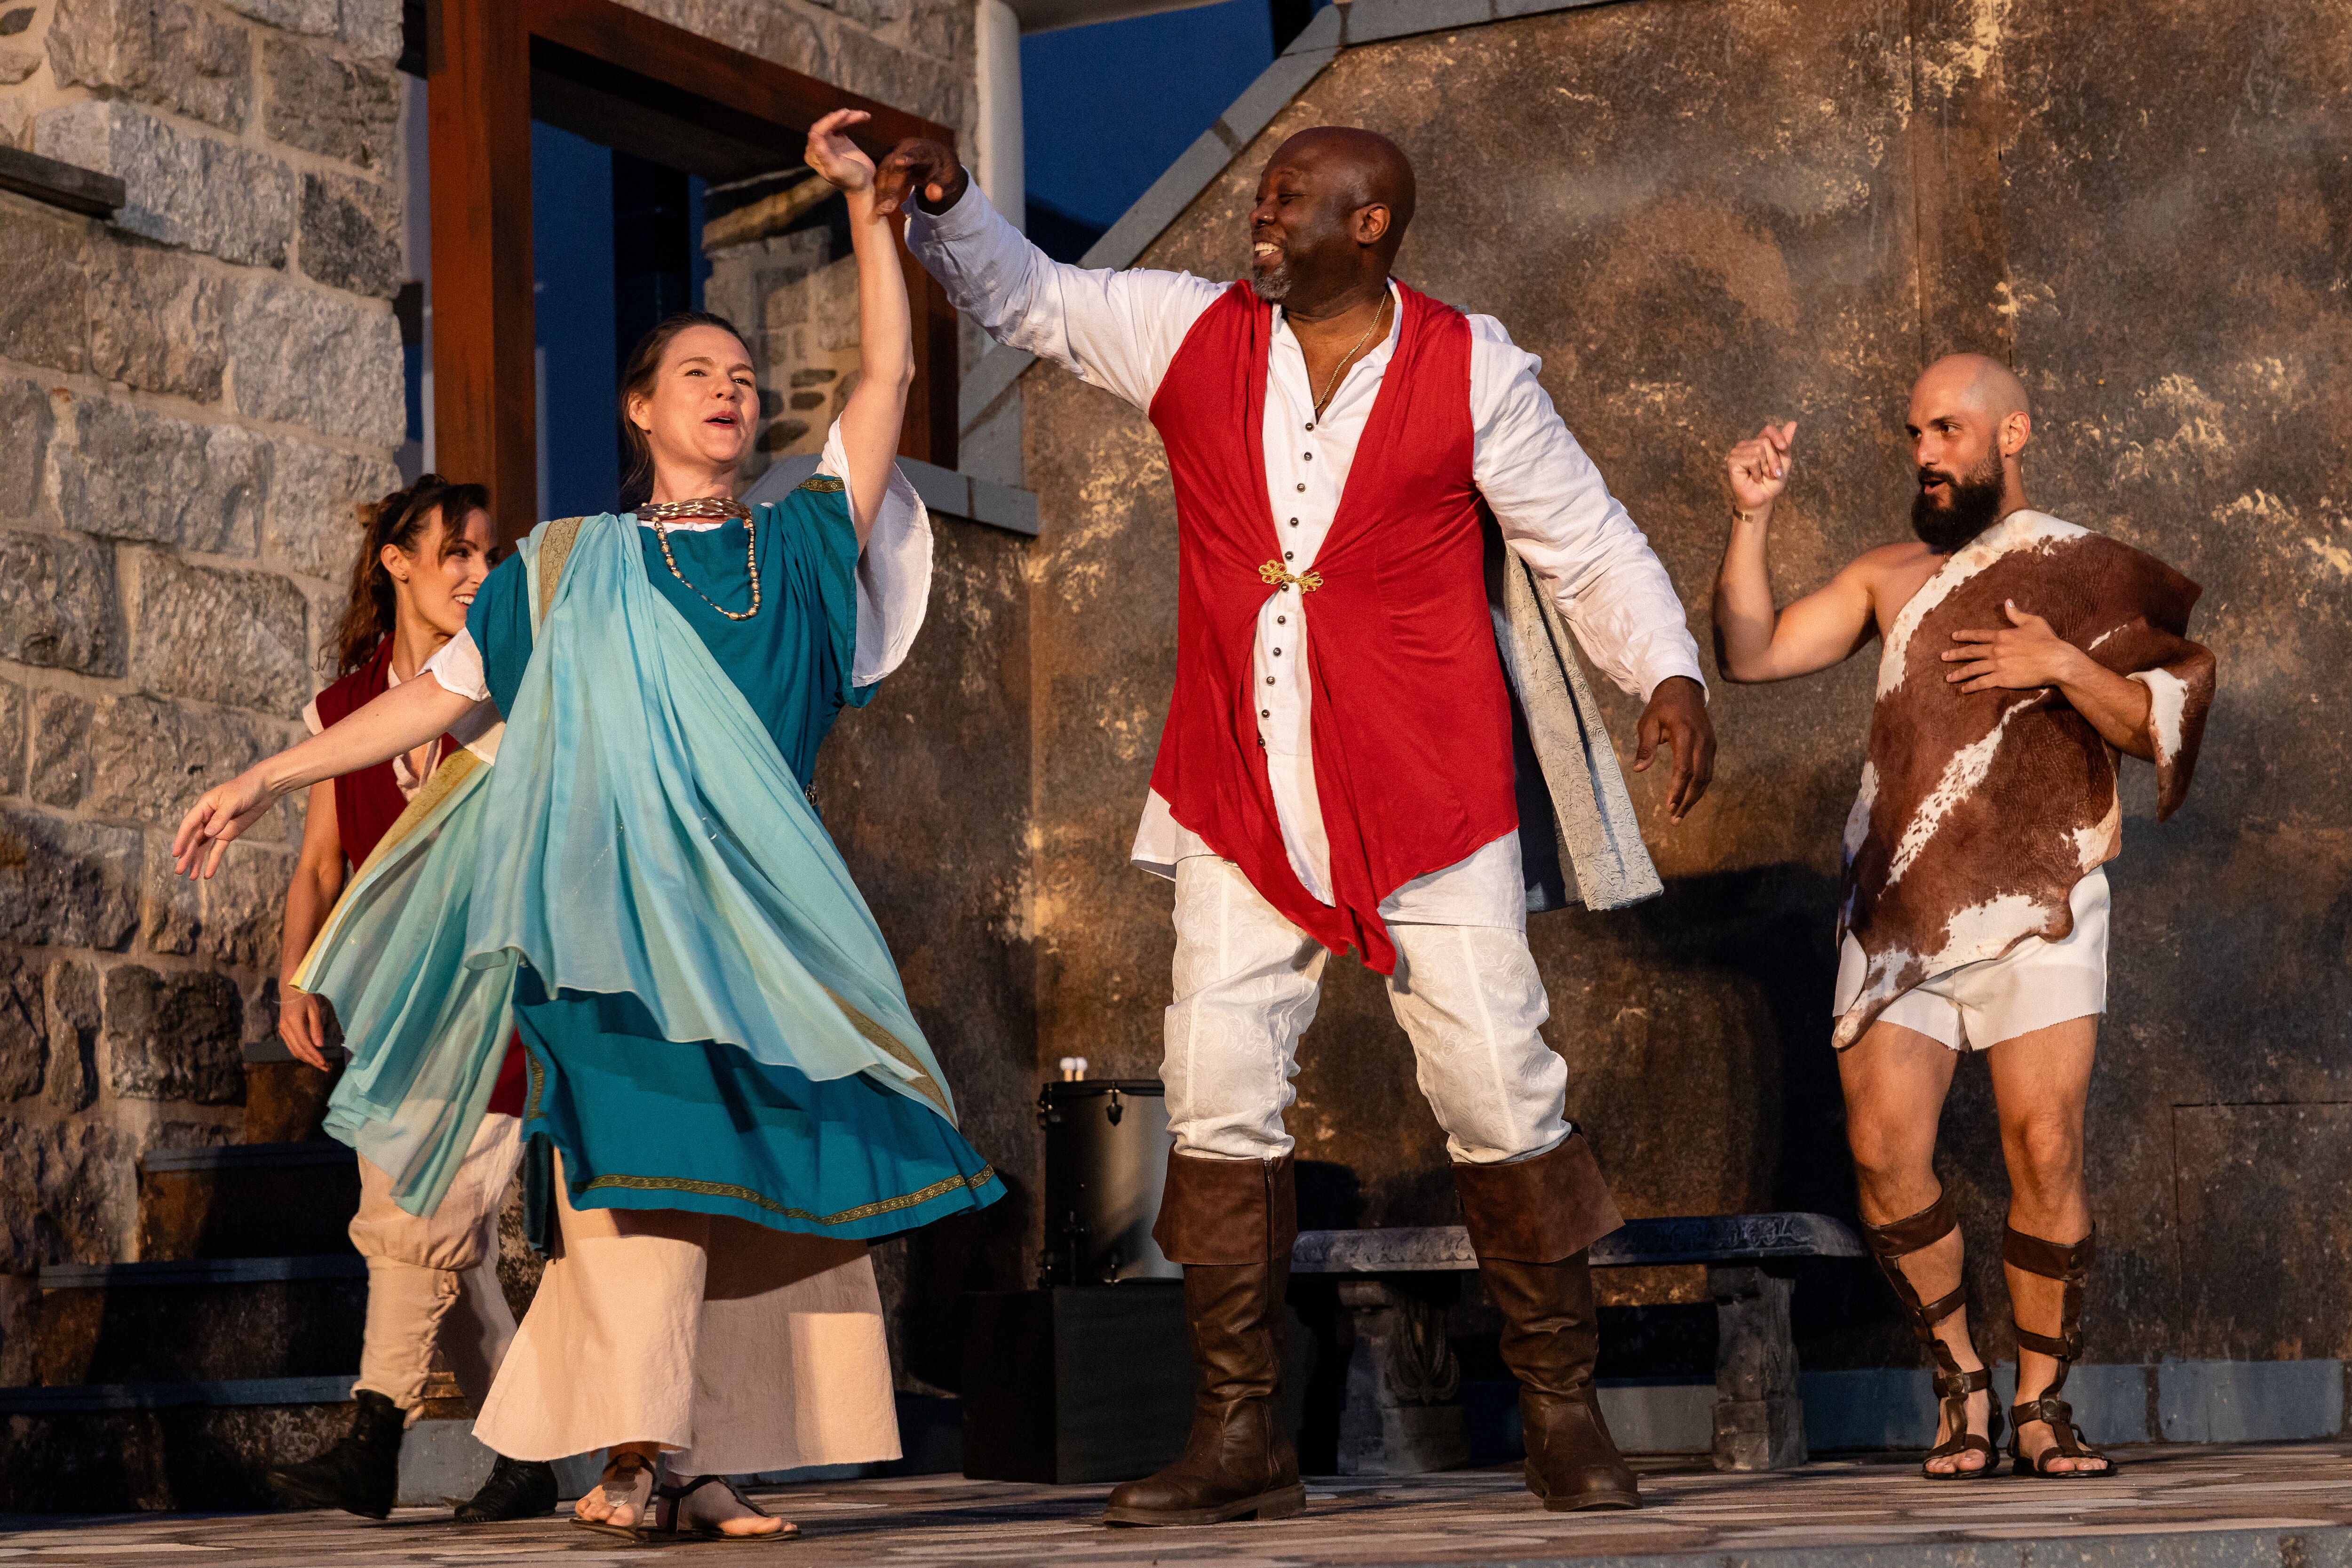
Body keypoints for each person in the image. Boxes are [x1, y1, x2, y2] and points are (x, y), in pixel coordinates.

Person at [173, 109, 1001, 1543]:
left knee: (760, 1184)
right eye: (698, 373)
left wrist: (873, 214)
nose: (730, 390)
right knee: (632, 1186)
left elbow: (888, 369)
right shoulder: (564, 569)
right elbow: (432, 700)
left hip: (764, 922)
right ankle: (634, 1452)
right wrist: (268, 775)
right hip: (618, 926)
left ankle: (709, 1459)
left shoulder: (806, 542)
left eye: (744, 378)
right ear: (641, 409)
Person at [877, 125, 1716, 1520]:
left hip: (1431, 791)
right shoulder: (1190, 332)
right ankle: (1241, 1431)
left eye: (1285, 203)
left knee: (1502, 1086)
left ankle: (1563, 1414)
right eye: (1259, 199)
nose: (1256, 221)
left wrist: (1669, 666)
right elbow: (1031, 298)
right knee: (1213, 1089)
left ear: (1371, 222)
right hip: (1242, 786)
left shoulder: (1474, 370)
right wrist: (956, 201)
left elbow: (1585, 536)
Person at [1712, 355, 2213, 1480]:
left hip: (2038, 895)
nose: (1926, 453)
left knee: (2045, 1145)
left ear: (2011, 432)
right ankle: (1959, 1383)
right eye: (1913, 434)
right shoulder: (1892, 574)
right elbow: (1751, 653)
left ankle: (2041, 1403)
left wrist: (2055, 663)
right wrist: (1749, 520)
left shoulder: (2087, 573)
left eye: (1947, 429)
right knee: (1885, 1149)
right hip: (1899, 902)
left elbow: (2160, 717)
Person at [262, 478, 557, 1525]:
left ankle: (369, 1440)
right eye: (458, 553)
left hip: (491, 999)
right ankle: (527, 1456)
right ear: (398, 560)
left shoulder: (506, 689)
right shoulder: (345, 709)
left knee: (413, 1219)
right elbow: (320, 862)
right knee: (450, 1248)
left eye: (489, 556)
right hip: (392, 1007)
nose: (480, 573)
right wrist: (299, 977)